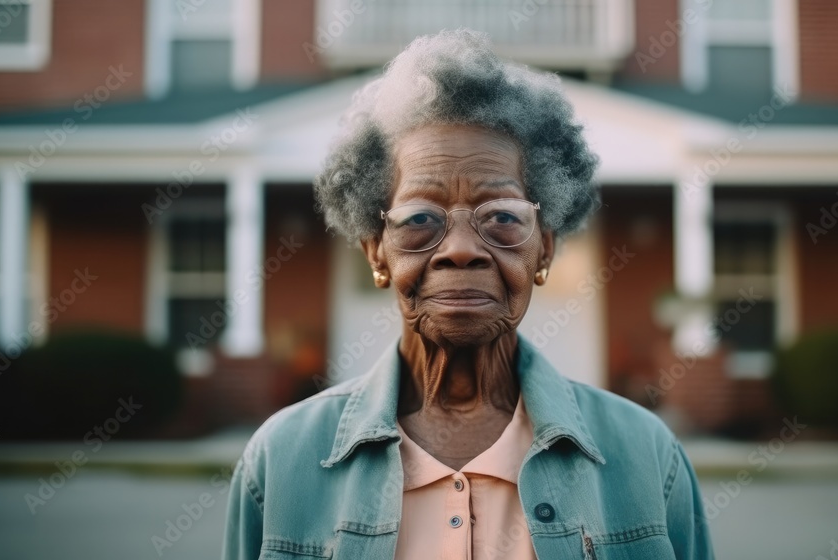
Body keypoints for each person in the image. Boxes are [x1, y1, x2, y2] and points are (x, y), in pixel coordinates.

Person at [222, 29, 714, 560]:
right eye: (419, 218)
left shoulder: (646, 456)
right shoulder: (281, 460)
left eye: (502, 217)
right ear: (375, 253)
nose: (460, 249)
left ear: (543, 251)